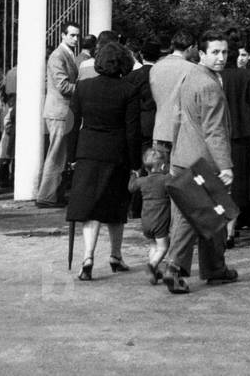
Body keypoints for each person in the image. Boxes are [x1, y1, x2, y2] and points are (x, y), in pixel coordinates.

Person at [161, 30, 238, 294]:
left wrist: (174, 156)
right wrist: (226, 165)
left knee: (213, 215)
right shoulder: (209, 85)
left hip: (186, 156)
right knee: (193, 217)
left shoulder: (190, 76)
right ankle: (173, 268)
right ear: (202, 53)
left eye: (225, 52)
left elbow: (177, 118)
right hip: (204, 162)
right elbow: (214, 131)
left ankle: (215, 268)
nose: (221, 57)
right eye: (215, 52)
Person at [66, 42, 141, 281]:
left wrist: (71, 156)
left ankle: (88, 257)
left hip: (87, 151)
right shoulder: (129, 90)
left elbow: (71, 124)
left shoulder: (83, 87)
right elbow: (132, 131)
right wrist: (135, 163)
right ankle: (115, 256)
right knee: (116, 207)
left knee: (91, 208)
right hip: (116, 154)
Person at [219, 38, 250, 247]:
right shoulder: (248, 75)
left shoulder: (214, 76)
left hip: (217, 133)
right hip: (241, 133)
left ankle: (220, 227)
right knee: (238, 182)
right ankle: (231, 228)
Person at [37, 22, 80, 208]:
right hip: (58, 111)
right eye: (72, 35)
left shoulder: (66, 54)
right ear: (62, 35)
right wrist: (85, 88)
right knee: (56, 154)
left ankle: (54, 195)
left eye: (77, 36)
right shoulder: (57, 56)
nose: (76, 39)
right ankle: (46, 196)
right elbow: (63, 85)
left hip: (62, 111)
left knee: (60, 154)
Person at [149, 30, 198, 154]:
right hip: (184, 131)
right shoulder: (193, 69)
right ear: (190, 48)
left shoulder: (156, 67)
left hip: (160, 129)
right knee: (184, 172)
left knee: (161, 170)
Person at [128, 146, 171, 284]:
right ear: (164, 166)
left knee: (153, 246)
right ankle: (152, 265)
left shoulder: (142, 181)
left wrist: (134, 175)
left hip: (146, 220)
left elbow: (131, 187)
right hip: (160, 220)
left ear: (146, 168)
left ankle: (154, 272)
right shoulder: (165, 179)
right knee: (163, 247)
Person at [0, 64, 17, 189]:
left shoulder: (10, 72)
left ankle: (3, 177)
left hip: (10, 105)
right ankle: (10, 176)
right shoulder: (28, 71)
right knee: (12, 146)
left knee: (7, 146)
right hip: (16, 106)